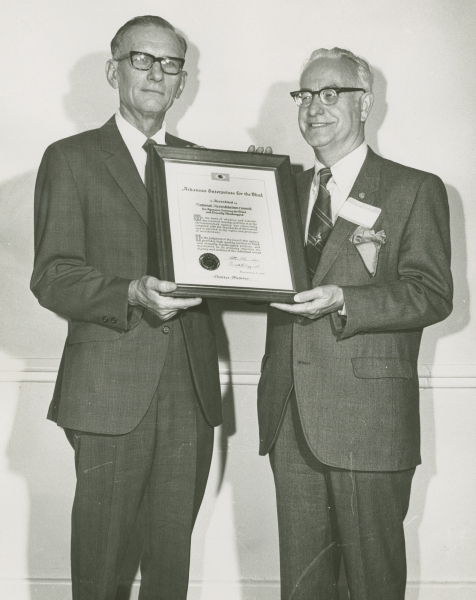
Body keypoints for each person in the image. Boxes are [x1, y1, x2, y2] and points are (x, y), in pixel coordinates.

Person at [30, 15, 222, 600]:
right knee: (101, 568)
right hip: (108, 389)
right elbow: (53, 276)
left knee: (170, 571)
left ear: (181, 83)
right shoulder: (71, 158)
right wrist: (130, 293)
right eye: (143, 60)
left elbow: (230, 263)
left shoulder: (207, 164)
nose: (156, 74)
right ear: (114, 70)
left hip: (189, 390)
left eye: (170, 65)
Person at [257, 47, 452, 600]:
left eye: (330, 93)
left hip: (371, 423)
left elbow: (432, 294)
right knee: (302, 586)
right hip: (290, 414)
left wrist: (347, 298)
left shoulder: (413, 189)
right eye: (305, 95)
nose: (314, 108)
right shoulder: (281, 190)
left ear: (364, 102)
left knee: (372, 585)